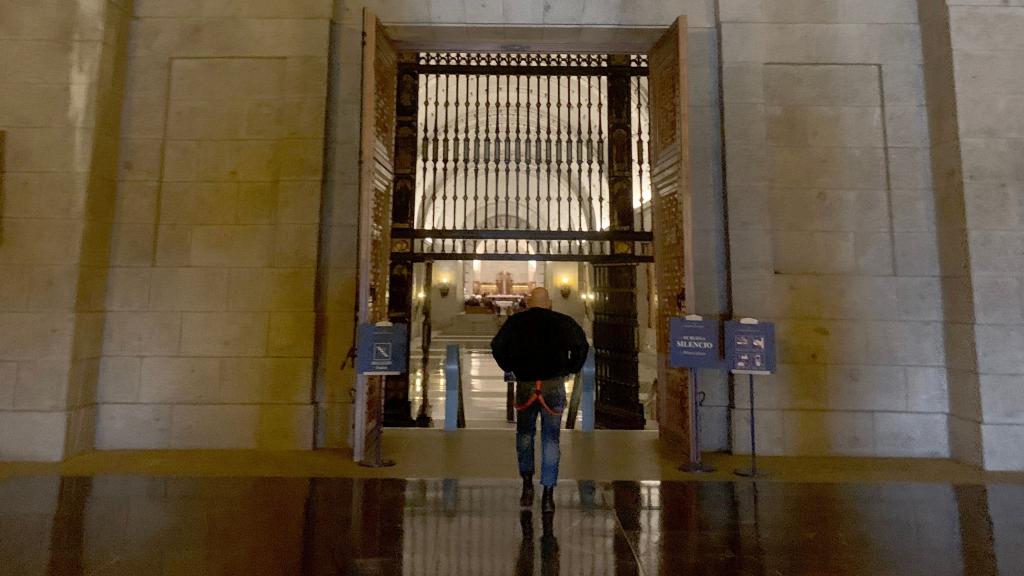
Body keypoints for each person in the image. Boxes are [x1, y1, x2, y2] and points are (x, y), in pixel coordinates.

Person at [490, 287, 589, 512]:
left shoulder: (516, 322)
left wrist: (510, 367)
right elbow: (582, 347)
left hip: (526, 385)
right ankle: (548, 494)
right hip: (553, 385)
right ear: (550, 302)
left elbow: (497, 346)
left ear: (528, 302)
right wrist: (571, 368)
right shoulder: (564, 322)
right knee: (551, 439)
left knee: (525, 435)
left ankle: (527, 485)